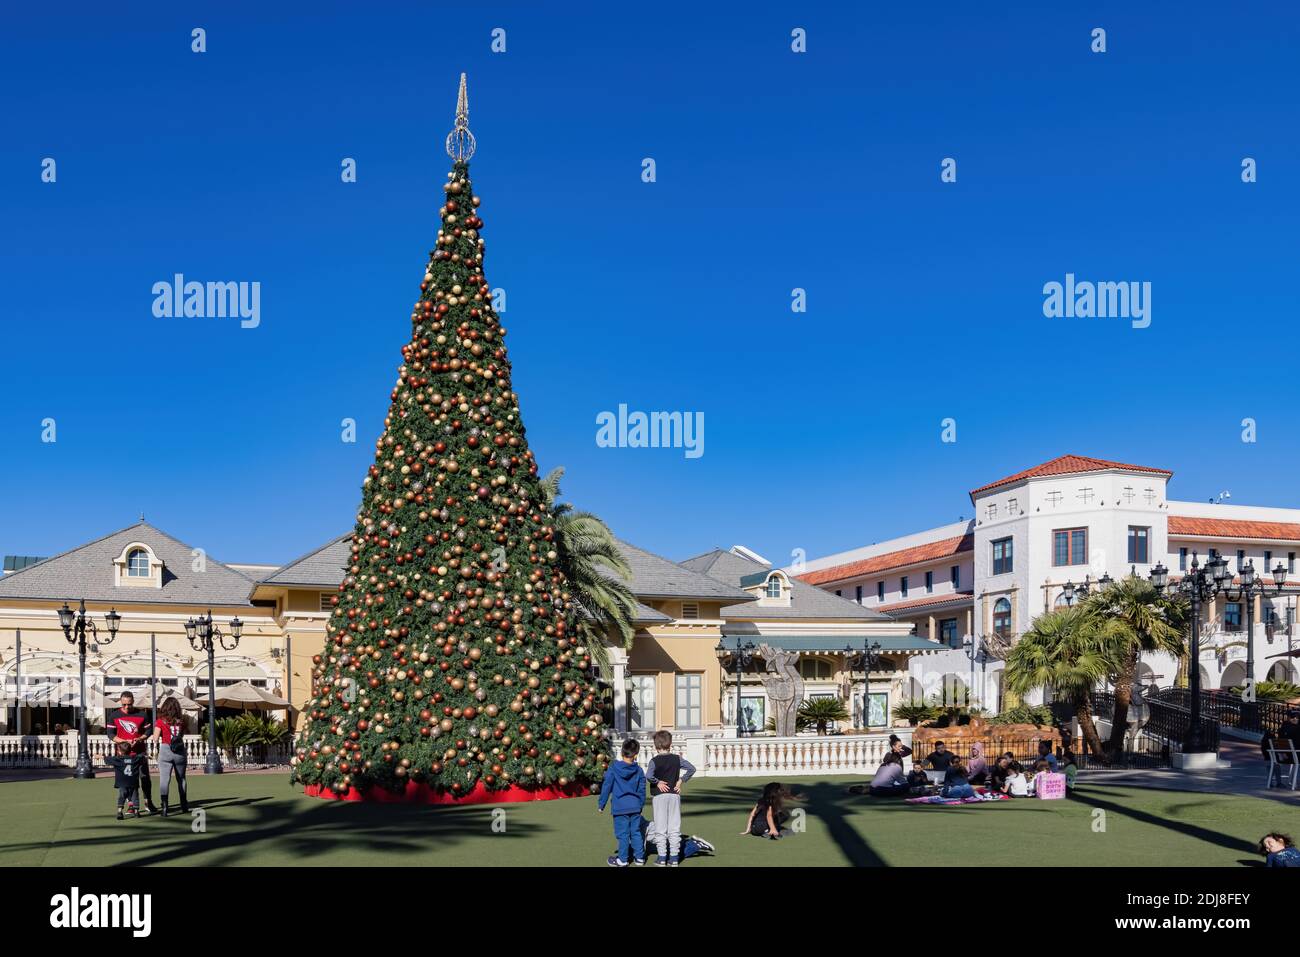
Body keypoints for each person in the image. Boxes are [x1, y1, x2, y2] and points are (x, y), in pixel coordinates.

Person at [644, 730, 696, 866]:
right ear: (670, 744)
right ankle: (674, 858)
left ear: (656, 746)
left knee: (660, 828)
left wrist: (658, 782)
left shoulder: (653, 761)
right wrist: (681, 781)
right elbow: (692, 769)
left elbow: (648, 776)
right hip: (674, 796)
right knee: (674, 827)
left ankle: (662, 858)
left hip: (659, 797)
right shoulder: (677, 758)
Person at [105, 692, 158, 815]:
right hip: (123, 755)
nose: (127, 707)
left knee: (144, 778)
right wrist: (124, 742)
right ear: (120, 702)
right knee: (126, 781)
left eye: (129, 704)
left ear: (133, 701)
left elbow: (149, 731)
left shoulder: (142, 714)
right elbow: (110, 734)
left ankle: (148, 802)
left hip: (140, 753)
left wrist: (139, 739)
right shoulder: (114, 715)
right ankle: (130, 805)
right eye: (124, 704)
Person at [598, 738, 648, 867]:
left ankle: (623, 859)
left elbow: (607, 786)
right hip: (635, 806)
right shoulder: (639, 770)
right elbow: (642, 790)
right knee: (636, 832)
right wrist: (640, 805)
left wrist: (601, 804)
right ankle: (639, 858)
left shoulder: (614, 768)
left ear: (621, 753)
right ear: (636, 755)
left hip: (620, 807)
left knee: (623, 834)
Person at [615, 816, 715, 864]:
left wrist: (637, 857)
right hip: (662, 836)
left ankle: (696, 845)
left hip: (667, 837)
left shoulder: (636, 823)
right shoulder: (633, 816)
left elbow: (641, 847)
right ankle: (690, 841)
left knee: (670, 857)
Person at [150, 697, 189, 817]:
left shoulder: (160, 721)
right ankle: (184, 805)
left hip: (166, 750)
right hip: (179, 751)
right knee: (181, 778)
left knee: (164, 779)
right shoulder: (182, 721)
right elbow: (181, 735)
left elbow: (155, 738)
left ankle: (165, 807)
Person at [104, 741, 143, 819]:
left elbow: (107, 760)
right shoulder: (135, 759)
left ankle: (119, 812)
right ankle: (136, 812)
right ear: (130, 750)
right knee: (135, 796)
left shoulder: (117, 759)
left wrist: (101, 756)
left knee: (122, 796)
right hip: (133, 782)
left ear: (119, 751)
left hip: (122, 783)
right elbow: (142, 757)